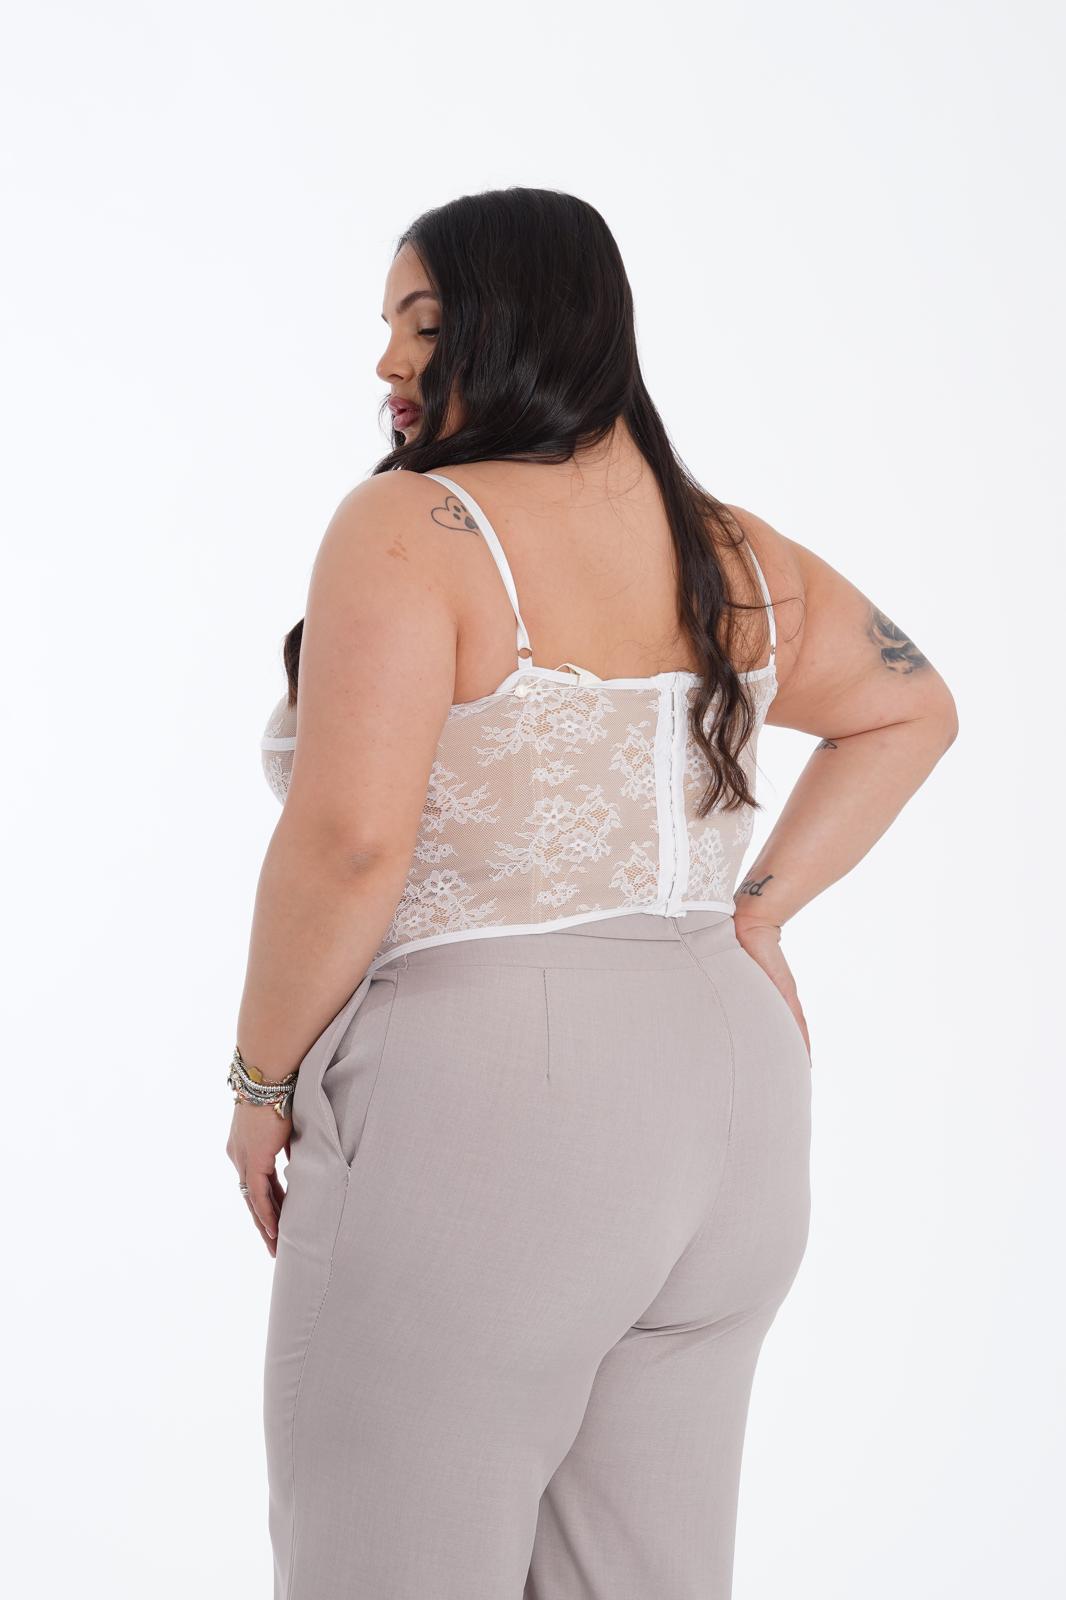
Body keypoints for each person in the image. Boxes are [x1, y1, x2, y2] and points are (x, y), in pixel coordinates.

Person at [226, 187, 959, 1600]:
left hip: (495, 1100)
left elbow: (350, 846)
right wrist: (753, 918)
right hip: (735, 1103)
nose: (387, 361)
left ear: (523, 324)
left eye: (422, 323)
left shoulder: (413, 527)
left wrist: (260, 1084)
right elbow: (909, 706)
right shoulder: (733, 549)